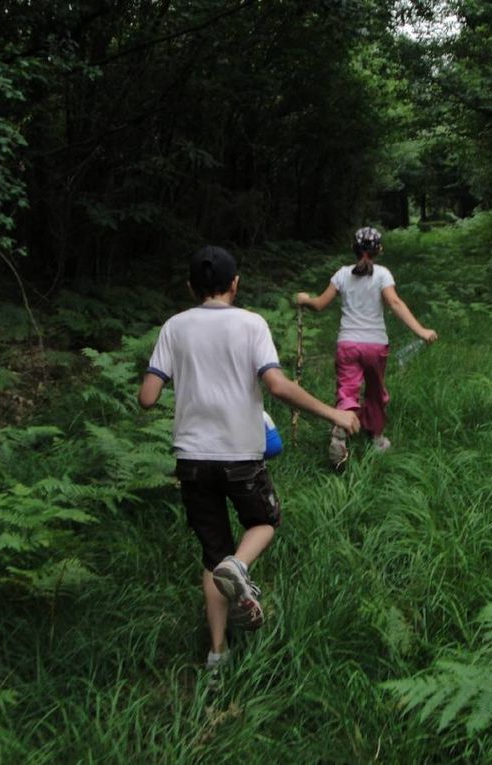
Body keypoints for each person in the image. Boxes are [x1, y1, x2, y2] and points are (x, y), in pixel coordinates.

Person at [138, 245, 359, 672]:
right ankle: (240, 568)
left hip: (192, 460)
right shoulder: (251, 324)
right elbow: (276, 386)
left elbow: (148, 397)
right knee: (264, 522)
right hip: (240, 455)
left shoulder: (173, 327)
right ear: (235, 284)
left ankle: (217, 654)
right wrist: (334, 413)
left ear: (191, 287)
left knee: (212, 556)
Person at [295, 226, 437, 467]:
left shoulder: (341, 274)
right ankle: (376, 437)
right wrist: (421, 331)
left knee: (347, 391)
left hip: (348, 344)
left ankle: (340, 435)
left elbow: (319, 304)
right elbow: (394, 302)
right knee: (375, 391)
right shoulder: (383, 274)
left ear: (354, 248)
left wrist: (304, 300)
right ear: (379, 250)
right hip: (375, 345)